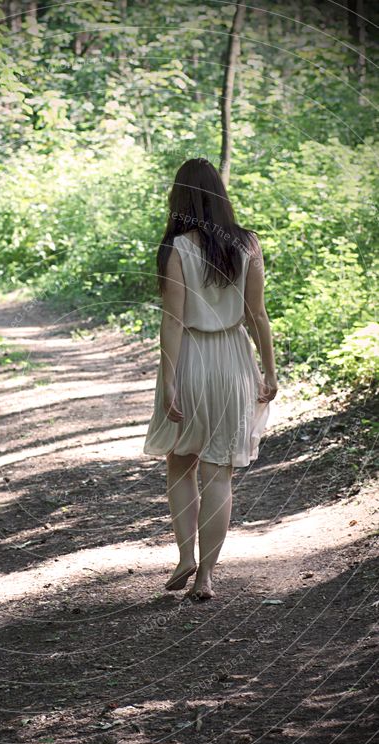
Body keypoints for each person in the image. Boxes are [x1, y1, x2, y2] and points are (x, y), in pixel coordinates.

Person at [143, 158, 278, 601]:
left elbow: (174, 322)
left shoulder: (178, 247)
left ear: (180, 200)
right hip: (235, 360)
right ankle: (206, 578)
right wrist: (270, 372)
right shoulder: (248, 244)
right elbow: (258, 316)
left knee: (181, 464)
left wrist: (170, 380)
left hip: (193, 360)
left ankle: (185, 557)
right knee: (219, 474)